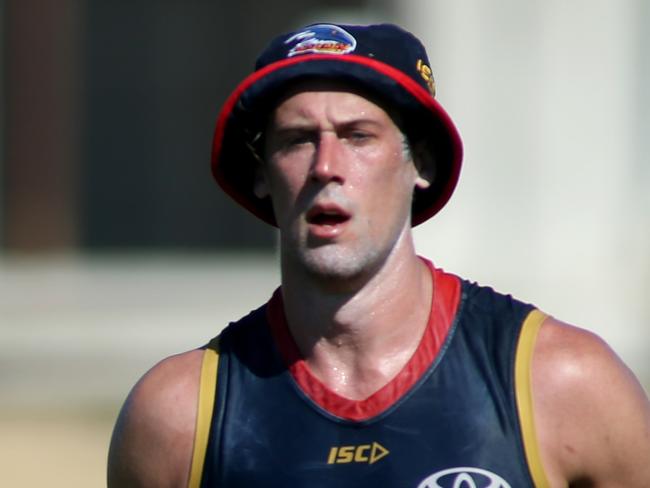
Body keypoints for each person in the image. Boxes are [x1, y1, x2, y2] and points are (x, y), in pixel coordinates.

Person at [107, 22, 650, 488]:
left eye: (357, 136)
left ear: (423, 164)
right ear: (260, 174)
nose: (326, 166)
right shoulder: (178, 417)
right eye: (297, 139)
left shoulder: (563, 383)